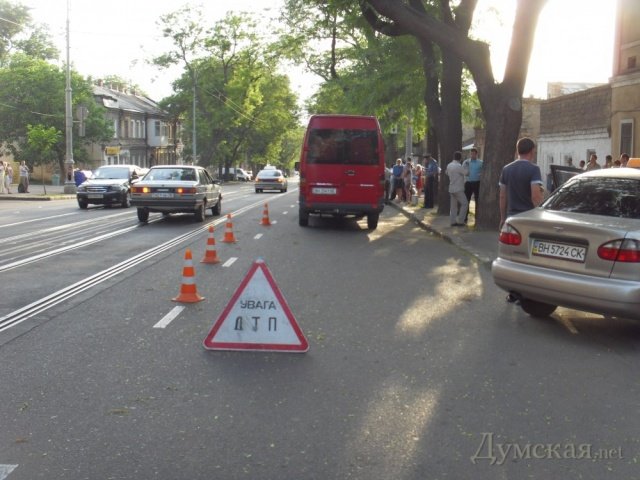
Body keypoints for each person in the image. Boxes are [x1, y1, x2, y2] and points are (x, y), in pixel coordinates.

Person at [499, 137, 544, 230]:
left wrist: (503, 218)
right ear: (532, 151)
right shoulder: (534, 169)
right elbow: (535, 197)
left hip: (511, 217)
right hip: (528, 216)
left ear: (517, 150)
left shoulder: (506, 169)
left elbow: (502, 196)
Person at [445, 151, 468, 227]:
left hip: (451, 188)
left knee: (453, 206)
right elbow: (466, 173)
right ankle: (461, 221)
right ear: (460, 158)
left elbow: (446, 173)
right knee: (465, 203)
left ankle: (453, 221)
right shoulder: (458, 166)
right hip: (458, 188)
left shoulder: (449, 165)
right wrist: (466, 166)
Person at [462, 148, 483, 224]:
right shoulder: (466, 162)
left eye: (474, 154)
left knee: (477, 200)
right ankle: (465, 217)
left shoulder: (481, 163)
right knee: (466, 200)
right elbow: (462, 171)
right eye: (471, 154)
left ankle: (477, 217)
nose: (472, 155)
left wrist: (480, 175)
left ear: (477, 154)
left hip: (477, 183)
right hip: (468, 183)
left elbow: (483, 171)